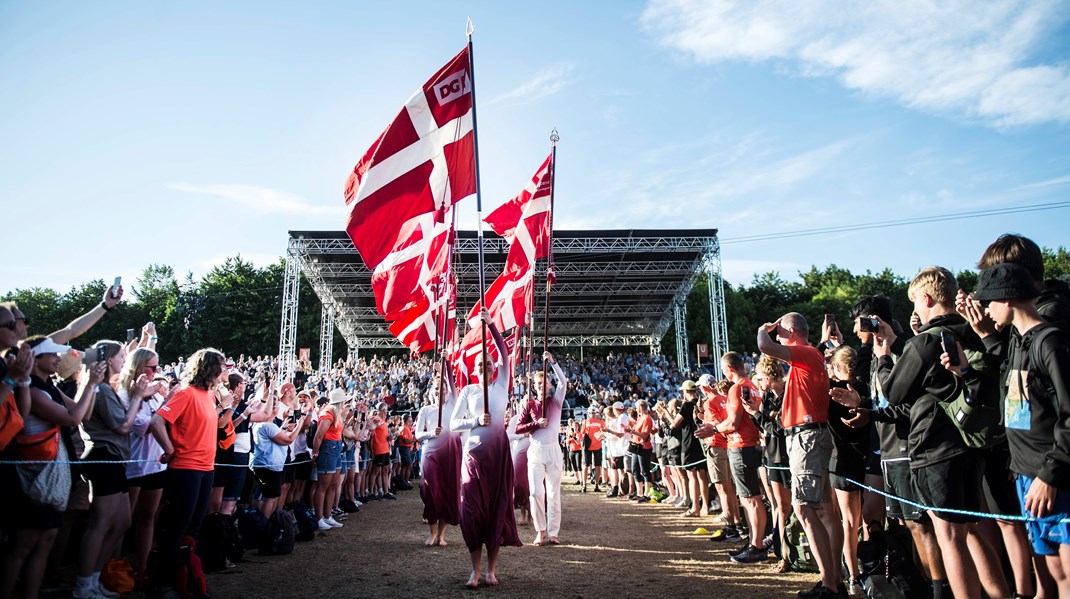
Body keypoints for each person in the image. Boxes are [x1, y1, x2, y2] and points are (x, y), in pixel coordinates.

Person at [970, 262, 1070, 597]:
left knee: (1068, 572)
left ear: (1008, 299)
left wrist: (1049, 476)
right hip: (1026, 475)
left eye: (989, 302)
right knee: (1053, 571)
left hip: (1054, 479)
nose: (985, 310)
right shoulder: (1017, 341)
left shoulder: (1050, 343)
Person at [0, 337, 102, 599]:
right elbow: (72, 418)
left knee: (46, 541)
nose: (58, 359)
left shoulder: (51, 388)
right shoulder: (33, 390)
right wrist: (89, 384)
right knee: (22, 546)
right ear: (36, 359)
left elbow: (84, 414)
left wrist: (92, 385)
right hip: (34, 477)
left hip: (52, 475)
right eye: (52, 355)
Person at [757, 313, 840, 599]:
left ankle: (830, 583)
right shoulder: (809, 355)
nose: (776, 333)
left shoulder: (806, 353)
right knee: (823, 510)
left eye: (781, 329)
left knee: (804, 509)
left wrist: (764, 329)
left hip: (807, 438)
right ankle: (832, 581)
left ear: (791, 332)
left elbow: (765, 346)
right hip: (808, 436)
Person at [76, 340, 154, 599]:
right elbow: (122, 426)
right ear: (109, 360)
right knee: (100, 523)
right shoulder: (101, 391)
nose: (125, 359)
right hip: (103, 457)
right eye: (121, 355)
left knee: (122, 522)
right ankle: (84, 584)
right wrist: (138, 399)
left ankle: (95, 578)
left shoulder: (106, 388)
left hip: (115, 459)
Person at [450, 312, 522, 588]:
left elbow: (504, 353)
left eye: (489, 364)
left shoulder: (503, 383)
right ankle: (474, 571)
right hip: (473, 459)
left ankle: (491, 571)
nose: (486, 367)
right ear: (474, 368)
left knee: (496, 510)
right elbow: (455, 425)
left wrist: (491, 325)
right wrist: (475, 421)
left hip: (498, 457)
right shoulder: (468, 391)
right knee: (472, 512)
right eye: (481, 364)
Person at [149, 348, 228, 598]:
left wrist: (225, 406)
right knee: (176, 528)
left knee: (192, 529)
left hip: (206, 469)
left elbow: (209, 425)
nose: (226, 371)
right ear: (211, 369)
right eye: (223, 366)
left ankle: (186, 579)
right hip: (186, 469)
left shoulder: (208, 395)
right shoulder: (185, 393)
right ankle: (164, 583)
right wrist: (169, 449)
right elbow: (156, 422)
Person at [705, 352, 766, 564]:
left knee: (750, 499)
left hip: (742, 445)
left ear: (729, 368)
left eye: (723, 369)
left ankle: (756, 546)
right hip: (748, 445)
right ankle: (753, 542)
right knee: (750, 499)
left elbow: (733, 423)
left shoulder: (737, 387)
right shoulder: (750, 384)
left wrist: (712, 429)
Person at [119, 348, 170, 582]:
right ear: (138, 367)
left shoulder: (156, 394)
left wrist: (165, 401)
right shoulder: (128, 394)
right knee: (123, 521)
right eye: (152, 367)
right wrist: (167, 404)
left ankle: (143, 568)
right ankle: (113, 568)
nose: (156, 372)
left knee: (149, 517)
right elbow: (144, 427)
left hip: (156, 464)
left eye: (158, 367)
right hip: (134, 465)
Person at [515, 352, 568, 545]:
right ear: (534, 386)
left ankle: (553, 532)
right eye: (538, 383)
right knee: (536, 492)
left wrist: (552, 363)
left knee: (554, 493)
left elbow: (564, 382)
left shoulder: (556, 401)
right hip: (536, 451)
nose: (541, 386)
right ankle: (541, 530)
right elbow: (518, 428)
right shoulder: (529, 406)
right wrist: (536, 424)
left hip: (553, 450)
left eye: (544, 383)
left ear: (549, 385)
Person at [414, 369, 461, 546]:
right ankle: (432, 532)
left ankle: (441, 535)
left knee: (448, 493)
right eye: (435, 389)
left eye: (442, 389)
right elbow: (418, 434)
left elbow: (453, 386)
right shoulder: (426, 410)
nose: (439, 393)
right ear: (430, 391)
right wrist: (431, 433)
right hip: (431, 453)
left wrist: (446, 363)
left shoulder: (452, 405)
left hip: (450, 453)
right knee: (429, 492)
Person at [251, 396, 309, 519]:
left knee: (268, 496)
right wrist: (300, 424)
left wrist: (284, 425)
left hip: (270, 465)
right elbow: (288, 439)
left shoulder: (267, 425)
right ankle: (264, 524)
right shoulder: (267, 426)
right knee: (269, 498)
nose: (279, 407)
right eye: (276, 405)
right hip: (269, 466)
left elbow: (279, 435)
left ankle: (266, 522)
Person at [671, 381, 709, 517]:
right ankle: (705, 506)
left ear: (685, 392)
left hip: (689, 442)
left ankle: (695, 507)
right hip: (701, 441)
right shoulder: (701, 403)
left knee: (692, 476)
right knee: (702, 476)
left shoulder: (686, 405)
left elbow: (675, 424)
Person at [311, 389, 347, 529]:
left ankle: (327, 515)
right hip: (328, 448)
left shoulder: (334, 413)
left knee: (333, 484)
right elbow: (319, 436)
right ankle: (319, 518)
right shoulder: (328, 414)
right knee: (323, 485)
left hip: (335, 447)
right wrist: (315, 452)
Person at [581, 405, 605, 493]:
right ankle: (596, 485)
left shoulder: (585, 422)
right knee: (598, 466)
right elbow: (604, 434)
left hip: (588, 446)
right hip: (598, 446)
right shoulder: (601, 422)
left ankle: (584, 485)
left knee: (586, 466)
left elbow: (582, 434)